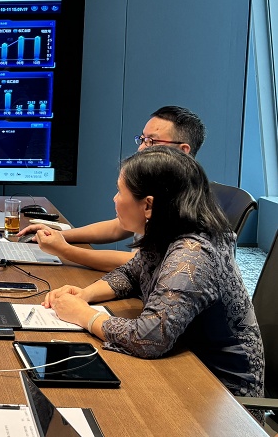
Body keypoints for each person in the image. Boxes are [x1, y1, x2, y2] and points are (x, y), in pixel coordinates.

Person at [43, 147, 263, 409]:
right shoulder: (169, 229)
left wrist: (84, 315)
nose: (114, 199)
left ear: (148, 205)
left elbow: (149, 338)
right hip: (185, 365)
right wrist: (85, 295)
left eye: (120, 191)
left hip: (223, 397)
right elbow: (131, 273)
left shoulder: (192, 256)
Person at [18, 105, 206, 270]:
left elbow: (139, 265)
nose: (141, 149)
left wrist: (64, 250)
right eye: (142, 139)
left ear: (183, 150)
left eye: (151, 141)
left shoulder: (184, 201)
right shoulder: (155, 185)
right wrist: (60, 235)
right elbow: (118, 227)